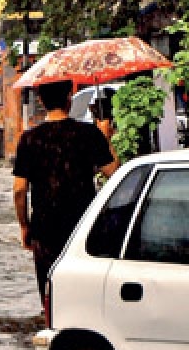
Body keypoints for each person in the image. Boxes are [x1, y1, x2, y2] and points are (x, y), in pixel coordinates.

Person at [12, 80, 120, 310]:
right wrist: (106, 138)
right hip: (84, 226)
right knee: (85, 294)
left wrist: (24, 225)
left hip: (44, 226)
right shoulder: (88, 133)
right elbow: (115, 173)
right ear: (69, 97)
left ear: (41, 101)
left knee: (50, 293)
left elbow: (20, 189)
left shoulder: (29, 139)